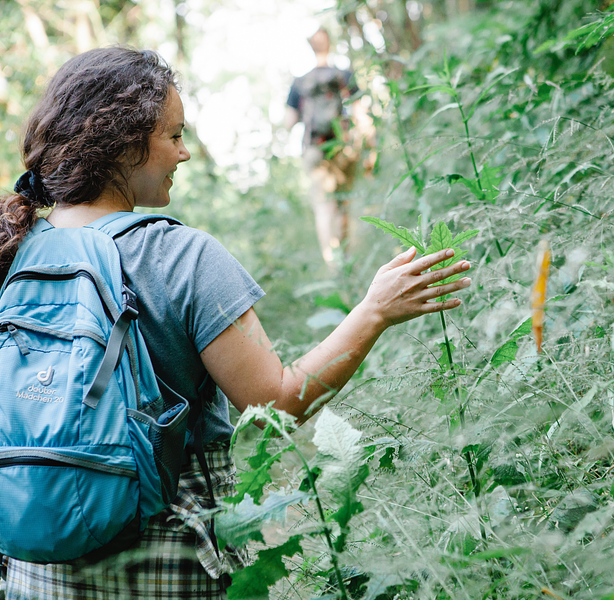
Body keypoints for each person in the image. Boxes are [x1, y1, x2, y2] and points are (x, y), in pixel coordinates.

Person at [0, 47, 470, 599]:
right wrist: (374, 312)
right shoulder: (182, 256)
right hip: (161, 565)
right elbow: (276, 403)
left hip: (34, 568)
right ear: (126, 143)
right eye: (174, 135)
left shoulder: (17, 250)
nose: (184, 152)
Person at [285, 27, 371, 267]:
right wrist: (370, 148)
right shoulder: (343, 75)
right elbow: (361, 115)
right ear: (329, 44)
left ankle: (332, 264)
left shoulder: (300, 82)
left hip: (314, 149)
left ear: (311, 47)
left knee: (323, 207)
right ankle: (347, 259)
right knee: (344, 204)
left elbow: (289, 121)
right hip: (343, 146)